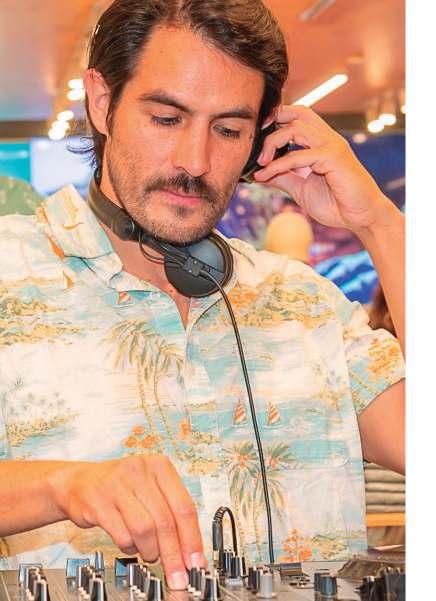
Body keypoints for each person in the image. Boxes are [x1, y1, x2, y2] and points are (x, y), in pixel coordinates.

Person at [0, 0, 404, 588]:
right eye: (167, 118)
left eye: (229, 130)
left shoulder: (303, 301)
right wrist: (60, 485)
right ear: (102, 102)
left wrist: (381, 224)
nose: (195, 161)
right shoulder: (9, 273)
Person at [263, 197, 314, 263]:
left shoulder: (276, 220)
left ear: (283, 205)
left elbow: (268, 246)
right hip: (301, 263)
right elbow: (310, 243)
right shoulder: (303, 221)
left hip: (279, 263)